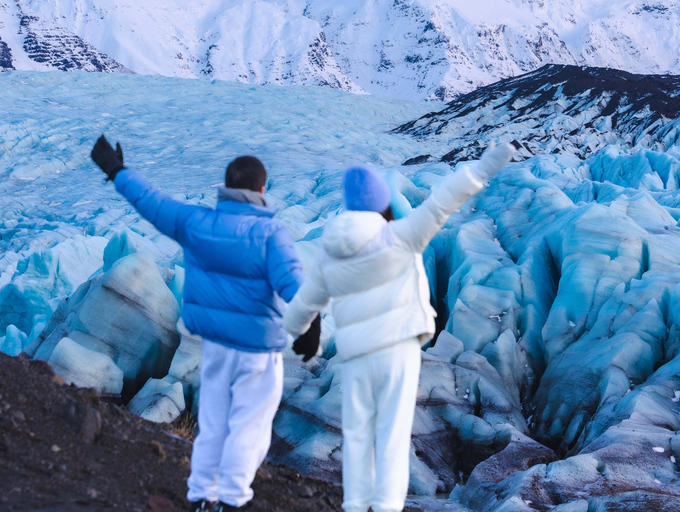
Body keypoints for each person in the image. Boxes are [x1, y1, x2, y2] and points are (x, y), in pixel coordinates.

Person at [89, 136, 321, 512]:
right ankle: (232, 500)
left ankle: (202, 496)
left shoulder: (198, 222)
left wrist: (116, 171)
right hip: (257, 352)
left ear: (227, 189)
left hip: (213, 346)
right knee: (250, 426)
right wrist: (311, 325)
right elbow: (293, 284)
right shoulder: (270, 234)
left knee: (213, 423)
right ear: (262, 190)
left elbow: (151, 202)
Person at [281, 142, 515, 512]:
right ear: (383, 202)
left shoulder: (332, 251)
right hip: (399, 350)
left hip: (356, 352)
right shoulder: (402, 235)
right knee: (391, 434)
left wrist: (294, 333)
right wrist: (488, 164)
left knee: (357, 433)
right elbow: (445, 199)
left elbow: (306, 303)